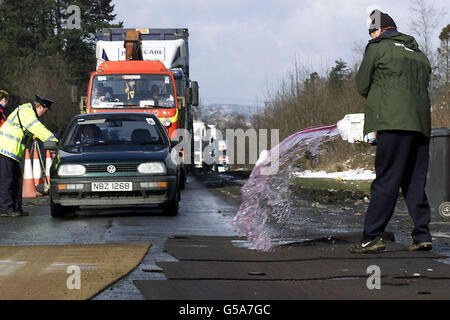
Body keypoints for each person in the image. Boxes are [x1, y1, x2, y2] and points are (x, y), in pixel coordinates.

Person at [349, 10, 433, 253]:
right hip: (420, 125)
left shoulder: (377, 47)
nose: (371, 35)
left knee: (386, 180)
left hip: (393, 123)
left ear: (378, 31)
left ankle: (372, 237)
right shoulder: (418, 54)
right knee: (414, 182)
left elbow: (362, 84)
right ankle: (422, 236)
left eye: (371, 31)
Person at [0, 95, 58, 217]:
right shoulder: (26, 111)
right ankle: (5, 209)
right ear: (41, 107)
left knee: (16, 180)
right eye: (45, 111)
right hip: (4, 149)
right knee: (7, 180)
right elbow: (36, 127)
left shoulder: (27, 112)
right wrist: (52, 139)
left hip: (12, 152)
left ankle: (16, 208)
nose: (44, 114)